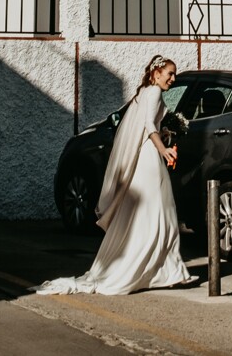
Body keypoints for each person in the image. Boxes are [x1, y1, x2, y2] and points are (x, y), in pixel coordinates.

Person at [40, 56, 192, 295]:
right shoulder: (153, 93)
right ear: (156, 73)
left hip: (147, 158)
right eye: (170, 74)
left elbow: (149, 127)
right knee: (159, 215)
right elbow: (148, 127)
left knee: (154, 216)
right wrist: (163, 149)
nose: (173, 79)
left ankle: (162, 270)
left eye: (174, 75)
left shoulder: (145, 93)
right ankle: (160, 270)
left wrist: (167, 138)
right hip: (149, 160)